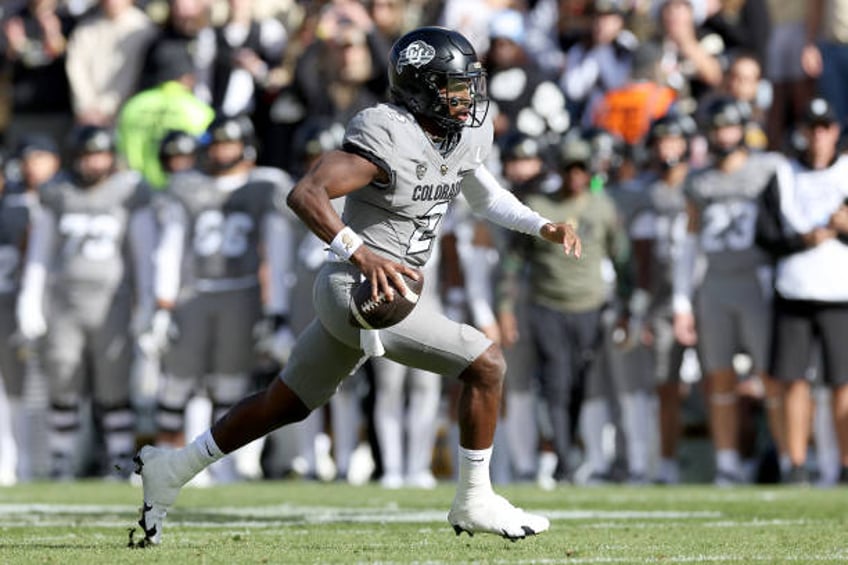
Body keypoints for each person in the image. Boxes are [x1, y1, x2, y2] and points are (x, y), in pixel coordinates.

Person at [134, 26, 580, 545]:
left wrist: (540, 224)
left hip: (389, 289)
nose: (469, 97)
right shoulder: (386, 134)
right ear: (421, 88)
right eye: (455, 87)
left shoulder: (464, 132)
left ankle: (171, 469)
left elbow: (483, 195)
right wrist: (362, 252)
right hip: (356, 288)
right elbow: (307, 194)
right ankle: (474, 499)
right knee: (486, 364)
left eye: (469, 85)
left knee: (285, 403)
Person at [140, 114, 296, 484]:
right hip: (195, 292)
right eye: (215, 145)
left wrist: (277, 311)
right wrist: (161, 305)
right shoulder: (187, 185)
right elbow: (170, 248)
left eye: (227, 144)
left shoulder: (264, 186)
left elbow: (276, 251)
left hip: (240, 292)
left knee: (230, 384)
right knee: (178, 381)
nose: (220, 152)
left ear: (245, 147)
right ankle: (164, 457)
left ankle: (223, 464)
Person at [16, 125, 156, 480]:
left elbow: (144, 255)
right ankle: (61, 461)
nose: (94, 162)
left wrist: (148, 304)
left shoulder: (129, 191)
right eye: (88, 155)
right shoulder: (58, 192)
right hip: (65, 303)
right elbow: (40, 253)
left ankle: (122, 461)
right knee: (63, 378)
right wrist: (30, 300)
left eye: (101, 154)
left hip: (113, 300)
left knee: (114, 384)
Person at [672, 97, 785, 485]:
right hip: (716, 283)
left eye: (729, 126)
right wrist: (682, 301)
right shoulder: (698, 180)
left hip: (756, 279)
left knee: (771, 375)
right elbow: (687, 244)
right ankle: (727, 463)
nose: (724, 134)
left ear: (743, 129)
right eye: (717, 127)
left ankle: (789, 458)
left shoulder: (769, 168)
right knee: (718, 377)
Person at [755, 98, 848, 484]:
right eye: (813, 127)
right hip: (794, 287)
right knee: (793, 379)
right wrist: (806, 239)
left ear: (836, 132)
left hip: (840, 290)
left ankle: (844, 465)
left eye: (826, 127)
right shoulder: (783, 174)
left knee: (843, 382)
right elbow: (765, 235)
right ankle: (795, 463)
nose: (819, 135)